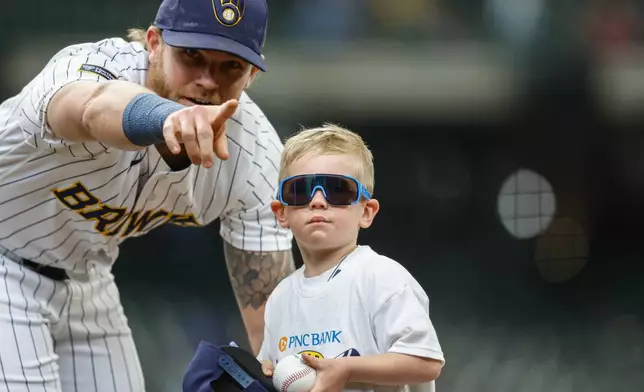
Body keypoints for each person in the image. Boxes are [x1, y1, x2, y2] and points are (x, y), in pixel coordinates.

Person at [0, 0, 295, 390]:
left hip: (89, 280)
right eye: (192, 56)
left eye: (230, 66)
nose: (208, 80)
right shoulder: (91, 66)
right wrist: (164, 118)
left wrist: (289, 372)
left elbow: (271, 323)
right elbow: (91, 107)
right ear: (154, 43)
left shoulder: (254, 158)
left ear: (252, 74)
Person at [256, 124, 445, 392]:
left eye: (338, 190)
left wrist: (345, 370)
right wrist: (263, 372)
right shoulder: (280, 298)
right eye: (299, 189)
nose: (318, 200)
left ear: (367, 212)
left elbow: (426, 362)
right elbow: (271, 368)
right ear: (281, 212)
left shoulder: (381, 277)